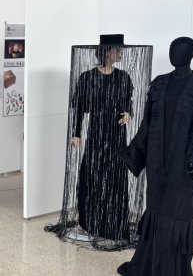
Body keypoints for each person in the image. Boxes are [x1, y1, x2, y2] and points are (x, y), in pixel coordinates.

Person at [118, 37, 193, 276]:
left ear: (191, 54)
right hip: (156, 161)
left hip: (183, 165)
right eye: (173, 50)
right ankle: (148, 264)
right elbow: (147, 122)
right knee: (155, 209)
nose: (176, 54)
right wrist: (135, 154)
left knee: (178, 214)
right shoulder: (159, 84)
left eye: (182, 51)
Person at [70, 43, 134, 240]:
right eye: (117, 50)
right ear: (107, 52)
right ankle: (90, 219)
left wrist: (129, 114)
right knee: (93, 174)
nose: (120, 54)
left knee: (115, 175)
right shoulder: (88, 77)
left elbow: (128, 102)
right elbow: (79, 107)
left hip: (116, 135)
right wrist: (76, 132)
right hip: (97, 133)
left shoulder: (123, 77)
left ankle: (113, 220)